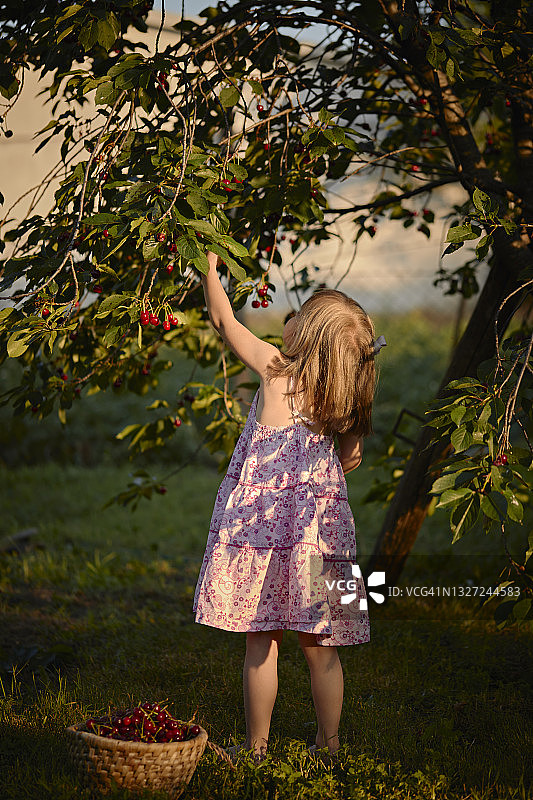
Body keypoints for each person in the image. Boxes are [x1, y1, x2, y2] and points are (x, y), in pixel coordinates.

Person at [192, 250, 385, 765]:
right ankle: (330, 746)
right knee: (324, 650)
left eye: (301, 315)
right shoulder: (345, 397)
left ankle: (255, 749)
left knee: (261, 644)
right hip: (322, 536)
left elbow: (224, 321)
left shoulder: (275, 370)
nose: (290, 318)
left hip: (260, 537)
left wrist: (209, 270)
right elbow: (350, 460)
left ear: (308, 336)